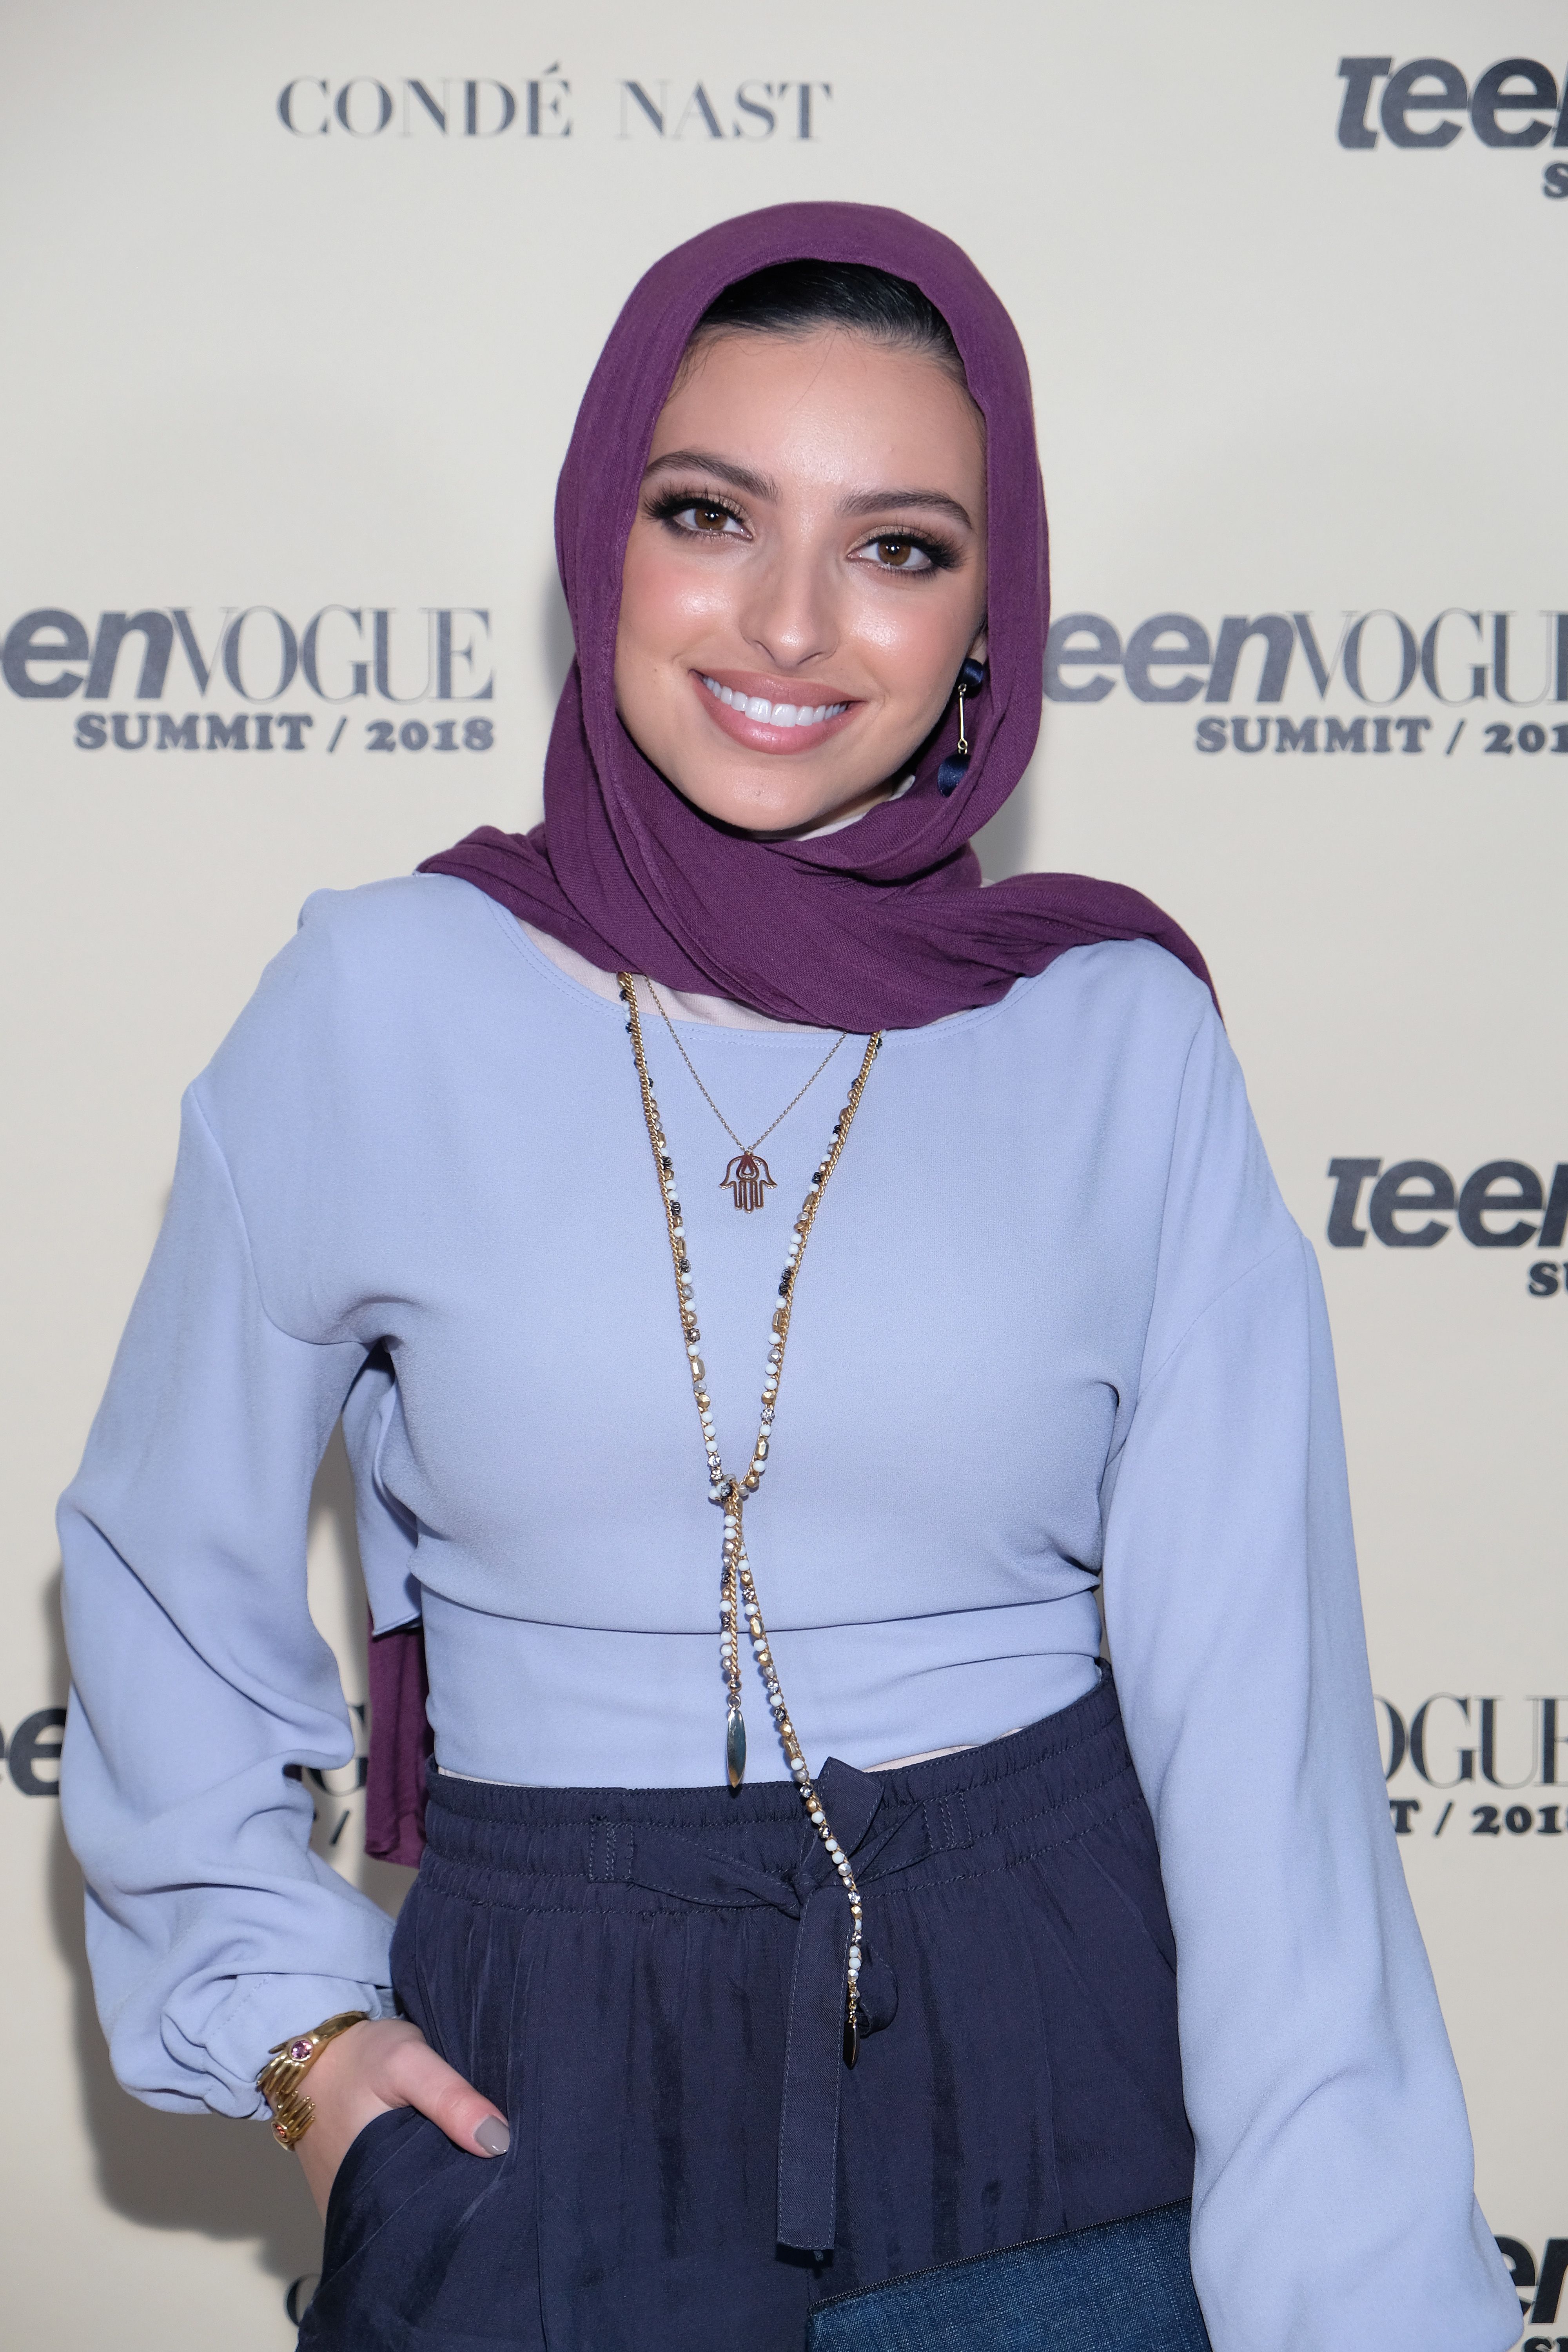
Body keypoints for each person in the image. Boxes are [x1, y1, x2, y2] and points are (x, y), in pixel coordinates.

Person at [57, 203, 1519, 2352]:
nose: (792, 620)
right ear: (604, 536)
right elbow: (160, 1571)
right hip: (534, 2065)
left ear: (988, 619)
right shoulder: (378, 1002)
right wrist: (296, 2040)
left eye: (898, 547)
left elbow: (1266, 1753)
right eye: (710, 514)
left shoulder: (1114, 1037)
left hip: (1054, 2043)